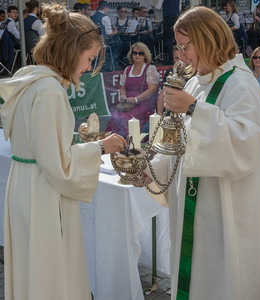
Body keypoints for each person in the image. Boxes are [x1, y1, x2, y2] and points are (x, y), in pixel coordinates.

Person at [144, 6, 260, 300]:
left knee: (224, 281)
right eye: (178, 46)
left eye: (186, 46)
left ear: (208, 39)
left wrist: (194, 107)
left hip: (225, 206)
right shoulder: (196, 82)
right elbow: (181, 140)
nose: (181, 55)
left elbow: (246, 142)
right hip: (195, 204)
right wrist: (150, 169)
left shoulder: (241, 83)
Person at [0, 4, 126, 300]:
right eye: (89, 58)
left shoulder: (29, 79)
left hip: (24, 187)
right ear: (71, 50)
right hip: (44, 193)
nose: (88, 68)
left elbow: (38, 141)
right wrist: (99, 148)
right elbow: (58, 165)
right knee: (49, 274)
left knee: (33, 269)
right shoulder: (50, 91)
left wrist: (74, 140)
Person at [106, 42, 159, 137]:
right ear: (132, 55)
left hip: (144, 102)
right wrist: (123, 96)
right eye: (135, 53)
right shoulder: (128, 69)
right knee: (115, 117)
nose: (137, 55)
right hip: (128, 103)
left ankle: (129, 143)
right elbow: (122, 87)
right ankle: (114, 141)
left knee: (127, 118)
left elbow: (152, 89)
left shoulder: (150, 69)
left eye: (141, 53)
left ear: (145, 55)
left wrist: (136, 99)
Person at [92, 1, 121, 72]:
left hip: (94, 41)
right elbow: (109, 33)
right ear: (105, 8)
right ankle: (112, 66)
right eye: (107, 9)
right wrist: (115, 31)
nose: (107, 11)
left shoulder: (93, 16)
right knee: (117, 45)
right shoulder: (105, 17)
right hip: (103, 41)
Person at [1, 6, 20, 72]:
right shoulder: (11, 23)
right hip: (12, 45)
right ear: (8, 13)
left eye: (16, 12)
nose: (15, 14)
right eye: (13, 12)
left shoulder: (8, 22)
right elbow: (17, 35)